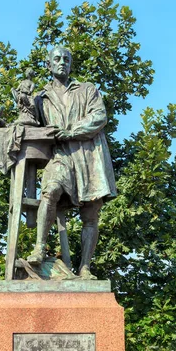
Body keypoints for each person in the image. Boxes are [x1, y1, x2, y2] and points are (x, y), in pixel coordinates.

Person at [28, 46, 117, 279]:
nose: (62, 62)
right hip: (61, 155)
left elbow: (99, 116)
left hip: (89, 155)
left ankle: (85, 268)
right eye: (56, 59)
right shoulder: (41, 98)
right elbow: (30, 124)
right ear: (48, 65)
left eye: (66, 59)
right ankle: (39, 247)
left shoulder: (87, 90)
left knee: (91, 215)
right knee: (49, 190)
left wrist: (70, 131)